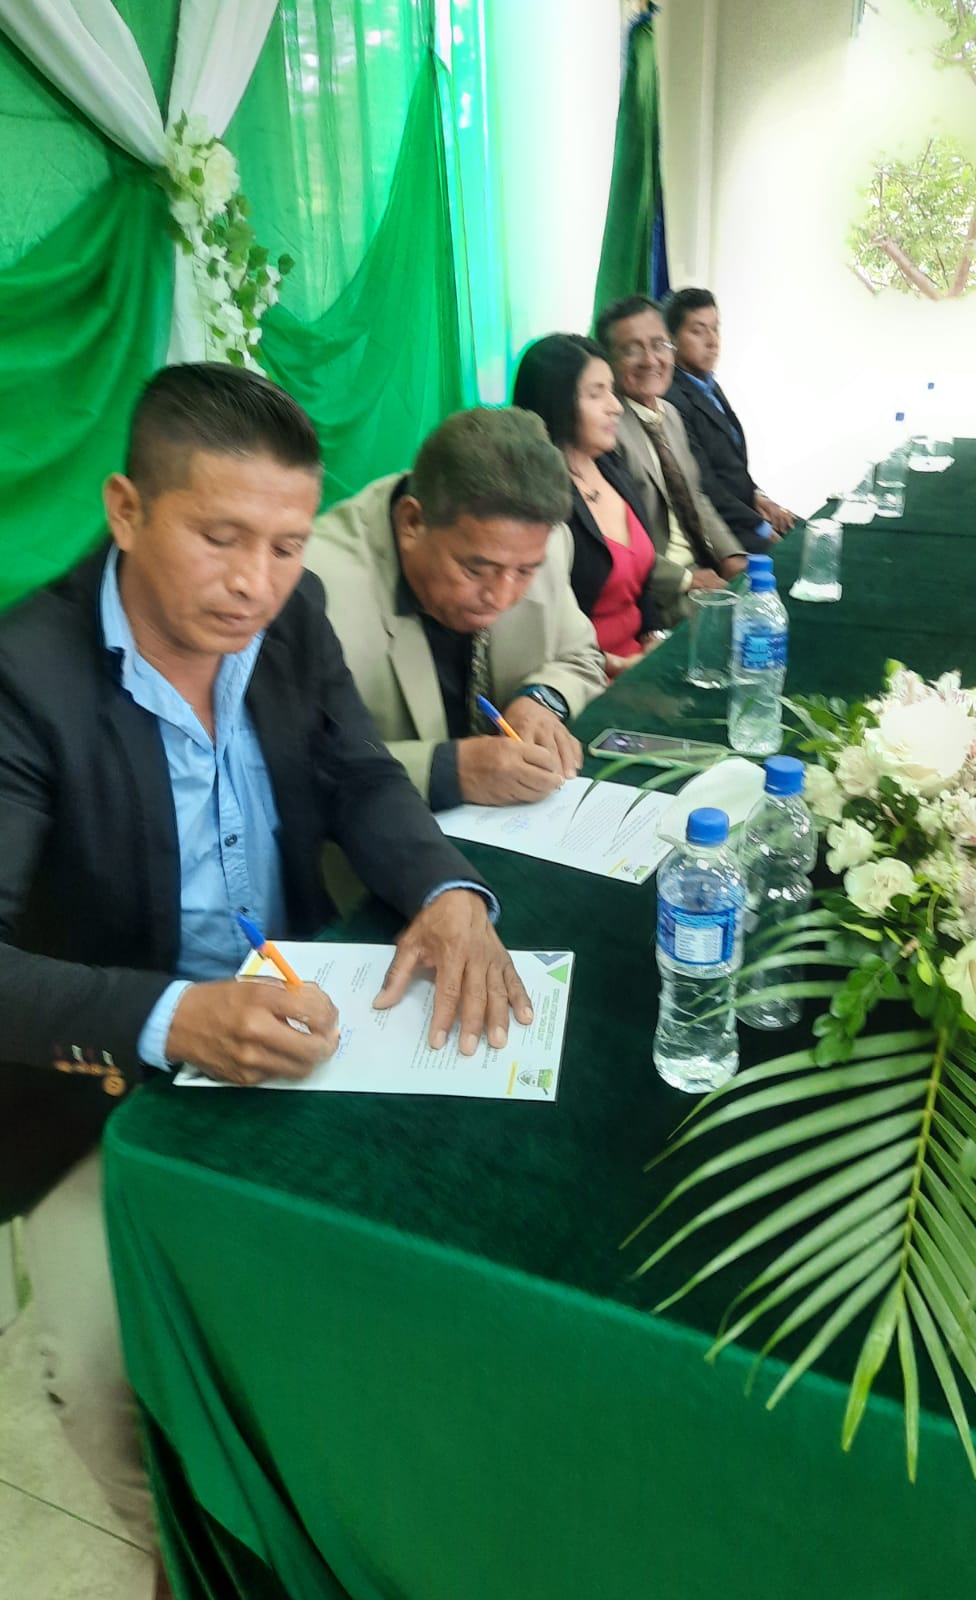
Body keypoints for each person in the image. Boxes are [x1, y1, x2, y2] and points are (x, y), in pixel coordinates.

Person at [0, 363, 532, 1592]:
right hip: (104, 1078)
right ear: (127, 508)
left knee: (427, 1269)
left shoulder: (290, 621)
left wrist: (448, 890)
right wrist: (173, 1015)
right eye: (220, 536)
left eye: (288, 545)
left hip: (299, 1011)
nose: (255, 580)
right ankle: (187, 1558)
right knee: (101, 1372)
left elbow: (359, 774)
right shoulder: (26, 678)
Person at [306, 408, 608, 808]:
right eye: (475, 570)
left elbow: (581, 655)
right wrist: (445, 770)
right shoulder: (315, 589)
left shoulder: (536, 541)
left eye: (524, 572)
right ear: (412, 522)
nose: (501, 597)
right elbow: (290, 762)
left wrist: (541, 700)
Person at [512, 333, 673, 678]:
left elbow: (643, 585)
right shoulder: (536, 501)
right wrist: (616, 665)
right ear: (557, 402)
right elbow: (537, 633)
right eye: (596, 394)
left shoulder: (611, 466)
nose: (616, 406)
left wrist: (654, 637)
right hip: (580, 676)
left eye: (611, 390)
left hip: (640, 663)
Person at [594, 295, 748, 624]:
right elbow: (619, 541)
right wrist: (687, 579)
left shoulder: (671, 415)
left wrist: (732, 555)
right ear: (608, 361)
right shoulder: (607, 432)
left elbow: (695, 496)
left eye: (659, 345)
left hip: (705, 565)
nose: (651, 360)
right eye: (632, 349)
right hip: (661, 588)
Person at [663, 287, 796, 552]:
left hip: (744, 513)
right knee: (797, 556)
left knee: (813, 532)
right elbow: (703, 483)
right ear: (672, 339)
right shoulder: (672, 398)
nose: (712, 341)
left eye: (715, 329)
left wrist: (760, 498)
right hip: (718, 530)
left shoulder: (709, 386)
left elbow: (730, 467)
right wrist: (759, 525)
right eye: (698, 331)